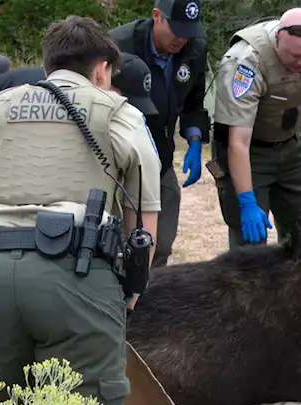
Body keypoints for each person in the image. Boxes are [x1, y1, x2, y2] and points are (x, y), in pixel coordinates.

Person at [0, 16, 162, 405]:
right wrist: (131, 291)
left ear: (49, 66)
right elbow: (142, 220)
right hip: (75, 273)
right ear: (102, 69)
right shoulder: (119, 113)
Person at [210, 7, 301, 249]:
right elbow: (238, 142)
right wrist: (247, 203)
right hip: (250, 152)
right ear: (278, 39)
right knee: (250, 249)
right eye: (295, 56)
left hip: (292, 148)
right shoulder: (247, 61)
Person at [109, 0, 208, 266]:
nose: (182, 39)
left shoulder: (195, 49)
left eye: (189, 31)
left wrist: (195, 139)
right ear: (156, 16)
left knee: (159, 245)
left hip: (160, 158)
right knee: (115, 244)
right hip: (119, 159)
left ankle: (150, 299)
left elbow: (193, 102)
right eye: (177, 30)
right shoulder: (118, 45)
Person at [0, 51, 163, 121]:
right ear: (103, 79)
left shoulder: (82, 96)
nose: (126, 109)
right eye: (126, 101)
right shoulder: (63, 97)